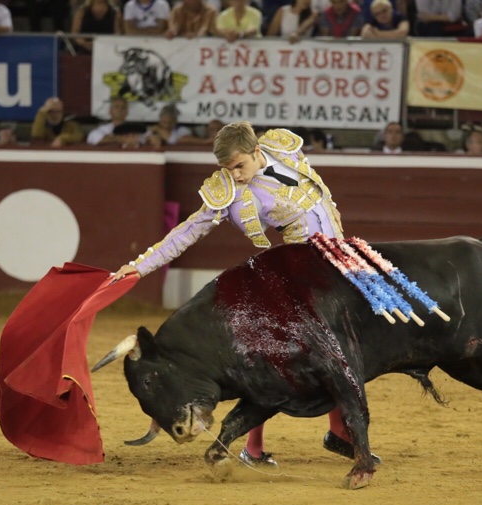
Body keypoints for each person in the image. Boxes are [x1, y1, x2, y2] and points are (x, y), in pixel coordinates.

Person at [110, 122, 376, 468]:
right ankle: (256, 447)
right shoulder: (228, 192)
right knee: (284, 363)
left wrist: (334, 206)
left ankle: (337, 433)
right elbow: (187, 231)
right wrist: (140, 265)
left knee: (344, 350)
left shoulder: (282, 147)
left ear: (256, 152)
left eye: (239, 166)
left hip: (337, 265)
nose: (235, 176)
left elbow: (316, 190)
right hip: (302, 276)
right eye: (227, 169)